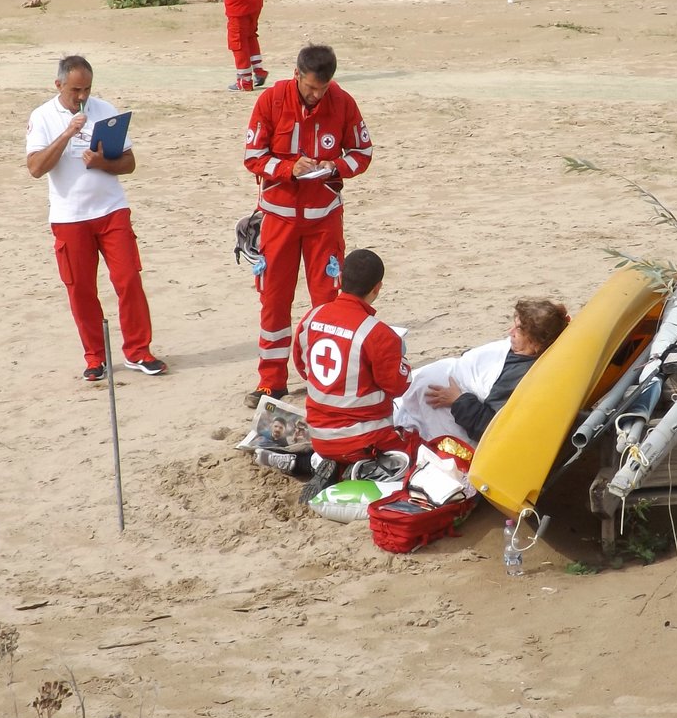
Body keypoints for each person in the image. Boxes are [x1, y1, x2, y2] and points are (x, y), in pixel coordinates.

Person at [242, 43, 372, 408]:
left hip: (324, 221)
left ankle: (325, 380)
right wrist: (287, 168)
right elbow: (253, 156)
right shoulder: (270, 100)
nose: (317, 96)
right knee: (274, 301)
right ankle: (271, 383)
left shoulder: (343, 102)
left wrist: (334, 167)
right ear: (296, 74)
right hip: (278, 219)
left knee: (329, 302)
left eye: (323, 89)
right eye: (311, 88)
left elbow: (362, 153)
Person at [25, 54, 165, 381]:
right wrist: (66, 134)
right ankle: (95, 357)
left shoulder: (106, 109)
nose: (82, 97)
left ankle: (138, 351)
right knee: (81, 289)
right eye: (75, 90)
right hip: (69, 216)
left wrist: (103, 162)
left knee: (129, 278)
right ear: (58, 85)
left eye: (87, 89)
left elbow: (128, 163)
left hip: (111, 209)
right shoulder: (43, 116)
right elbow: (35, 168)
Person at [292, 248, 410, 502]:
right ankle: (357, 469)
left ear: (340, 279)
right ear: (377, 288)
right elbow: (397, 386)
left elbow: (303, 368)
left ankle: (323, 462)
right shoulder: (378, 334)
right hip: (365, 440)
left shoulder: (311, 318)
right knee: (416, 451)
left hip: (319, 434)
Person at [394, 298, 570, 445]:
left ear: (536, 343)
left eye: (519, 330)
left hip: (450, 414)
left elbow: (491, 428)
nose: (510, 332)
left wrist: (457, 400)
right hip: (433, 391)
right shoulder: (515, 350)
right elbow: (476, 361)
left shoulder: (522, 378)